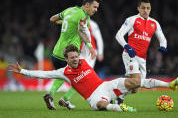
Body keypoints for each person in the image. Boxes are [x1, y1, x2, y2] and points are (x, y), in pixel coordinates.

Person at [8, 45, 142, 112]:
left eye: (76, 56)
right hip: (93, 97)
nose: (75, 59)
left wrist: (84, 31)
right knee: (100, 105)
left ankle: (147, 79)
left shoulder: (84, 60)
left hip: (104, 86)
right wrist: (23, 71)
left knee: (135, 83)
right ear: (66, 59)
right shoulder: (63, 72)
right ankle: (121, 108)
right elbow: (43, 74)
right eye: (72, 58)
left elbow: (85, 38)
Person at [115, 0, 178, 103]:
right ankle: (168, 85)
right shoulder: (132, 20)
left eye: (148, 8)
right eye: (143, 8)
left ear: (150, 9)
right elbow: (118, 35)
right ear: (138, 8)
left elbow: (162, 38)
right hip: (130, 55)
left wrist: (163, 46)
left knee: (136, 88)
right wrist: (127, 47)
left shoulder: (154, 23)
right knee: (137, 81)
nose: (146, 10)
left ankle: (117, 97)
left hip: (142, 58)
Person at [45, 0, 102, 110]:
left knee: (63, 76)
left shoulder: (69, 10)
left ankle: (55, 97)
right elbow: (81, 32)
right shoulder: (83, 17)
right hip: (69, 54)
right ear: (87, 5)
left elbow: (52, 19)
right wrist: (91, 47)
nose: (96, 10)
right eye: (94, 7)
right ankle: (63, 98)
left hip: (56, 52)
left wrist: (67, 21)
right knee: (82, 77)